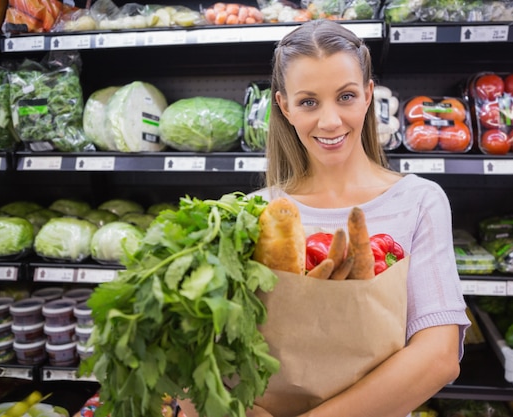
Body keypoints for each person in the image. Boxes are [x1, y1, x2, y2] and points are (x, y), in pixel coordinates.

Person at [179, 19, 470, 417]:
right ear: (284, 106)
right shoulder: (252, 213)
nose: (330, 121)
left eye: (346, 96)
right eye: (309, 102)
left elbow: (438, 356)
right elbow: (208, 353)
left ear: (369, 95)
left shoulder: (417, 201)